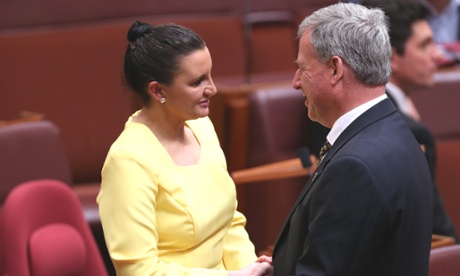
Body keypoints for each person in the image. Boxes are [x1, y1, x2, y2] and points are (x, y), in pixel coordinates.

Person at [97, 21, 273, 276]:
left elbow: (229, 222)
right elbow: (139, 271)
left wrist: (251, 268)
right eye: (197, 82)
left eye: (210, 75)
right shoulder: (127, 161)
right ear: (158, 91)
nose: (212, 88)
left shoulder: (202, 127)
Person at [273, 3, 433, 276]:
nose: (296, 82)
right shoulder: (397, 133)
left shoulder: (354, 166)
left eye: (303, 67)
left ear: (335, 69)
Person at [361, 0, 459, 241]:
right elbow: (435, 228)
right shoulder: (408, 129)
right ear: (392, 57)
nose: (437, 55)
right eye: (425, 45)